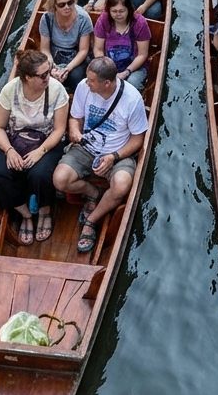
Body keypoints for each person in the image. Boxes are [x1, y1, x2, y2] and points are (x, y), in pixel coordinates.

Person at [52, 56, 148, 255]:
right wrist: (75, 131)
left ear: (107, 83)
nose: (87, 84)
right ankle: (92, 193)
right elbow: (75, 117)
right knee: (60, 180)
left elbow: (138, 139)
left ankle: (91, 220)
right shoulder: (83, 87)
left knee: (121, 185)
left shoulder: (132, 99)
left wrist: (114, 156)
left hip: (118, 152)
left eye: (91, 81)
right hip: (87, 147)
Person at [0, 47, 69, 245]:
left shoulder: (56, 90)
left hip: (46, 141)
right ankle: (25, 213)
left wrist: (40, 152)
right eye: (43, 75)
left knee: (40, 173)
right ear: (27, 78)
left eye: (48, 72)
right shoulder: (10, 90)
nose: (48, 77)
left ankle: (45, 210)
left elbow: (59, 130)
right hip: (16, 140)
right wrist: (9, 151)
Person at [39, 0, 94, 92]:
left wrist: (66, 69)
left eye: (70, 3)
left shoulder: (83, 19)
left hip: (76, 57)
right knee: (43, 76)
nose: (67, 7)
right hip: (54, 56)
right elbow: (45, 49)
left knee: (75, 77)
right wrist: (52, 66)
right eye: (62, 5)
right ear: (54, 5)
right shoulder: (46, 18)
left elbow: (83, 51)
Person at [93, 0, 151, 90]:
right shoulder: (103, 20)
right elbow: (98, 49)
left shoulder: (139, 23)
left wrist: (126, 72)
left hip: (134, 68)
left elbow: (142, 54)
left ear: (129, 9)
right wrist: (106, 70)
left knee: (131, 84)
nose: (118, 14)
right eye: (114, 11)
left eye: (121, 11)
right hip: (109, 66)